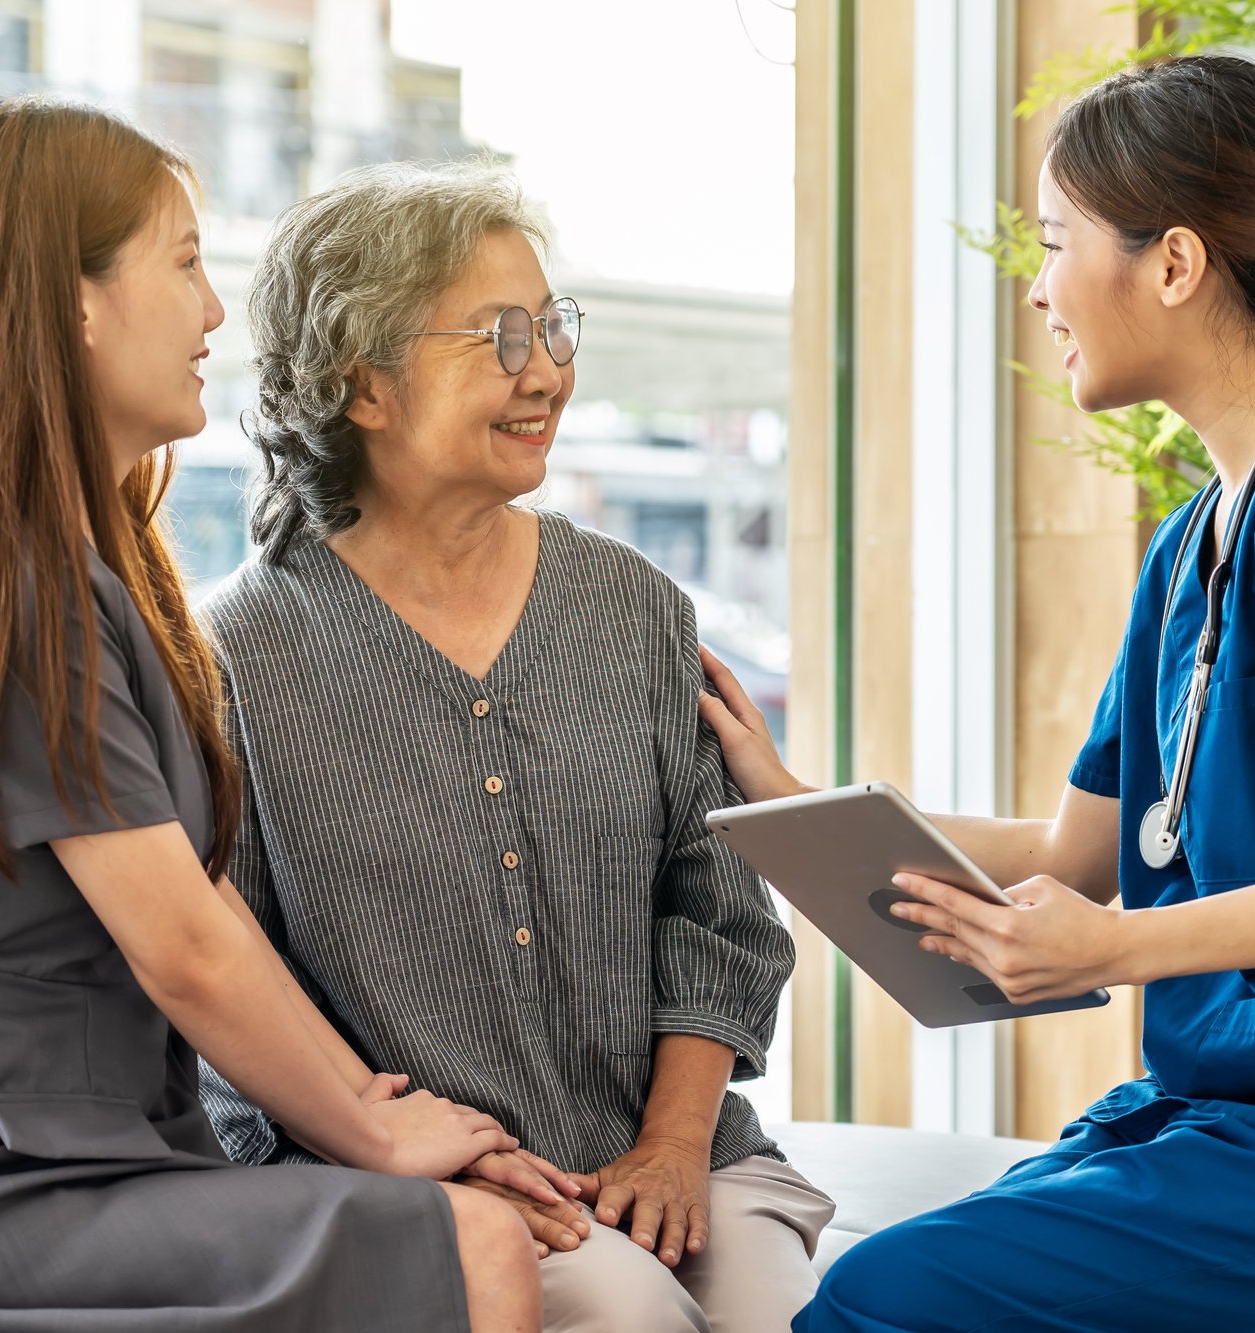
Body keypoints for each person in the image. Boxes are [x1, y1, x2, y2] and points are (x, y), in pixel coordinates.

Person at [702, 54, 1255, 1333]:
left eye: (1056, 245)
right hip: (1232, 1120)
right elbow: (1077, 855)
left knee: (881, 1302)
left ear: (1171, 264)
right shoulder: (1187, 549)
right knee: (878, 1276)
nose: (1040, 289)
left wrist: (1120, 950)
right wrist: (786, 804)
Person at [0, 98, 559, 1332]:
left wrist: (377, 1110)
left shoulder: (88, 567)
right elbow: (182, 947)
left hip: (59, 1165)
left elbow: (202, 898)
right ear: (76, 300)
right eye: (183, 261)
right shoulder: (8, 579)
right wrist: (382, 1143)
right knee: (474, 1246)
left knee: (468, 1225)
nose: (216, 310)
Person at [194, 160, 833, 1332]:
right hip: (418, 1188)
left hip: (680, 1164)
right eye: (497, 336)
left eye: (550, 326)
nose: (545, 369)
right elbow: (232, 1011)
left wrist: (672, 1146)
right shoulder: (231, 657)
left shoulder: (631, 605)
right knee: (626, 1313)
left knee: (788, 1318)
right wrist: (424, 1158)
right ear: (361, 386)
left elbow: (721, 912)